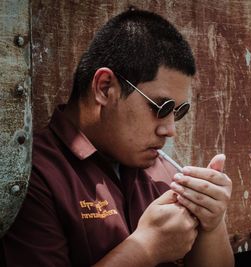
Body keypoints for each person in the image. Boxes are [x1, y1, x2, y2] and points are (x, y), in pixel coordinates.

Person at [1, 8, 234, 267]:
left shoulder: (162, 172)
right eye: (160, 108)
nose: (170, 130)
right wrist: (146, 249)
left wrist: (213, 222)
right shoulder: (33, 176)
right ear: (105, 88)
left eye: (177, 112)